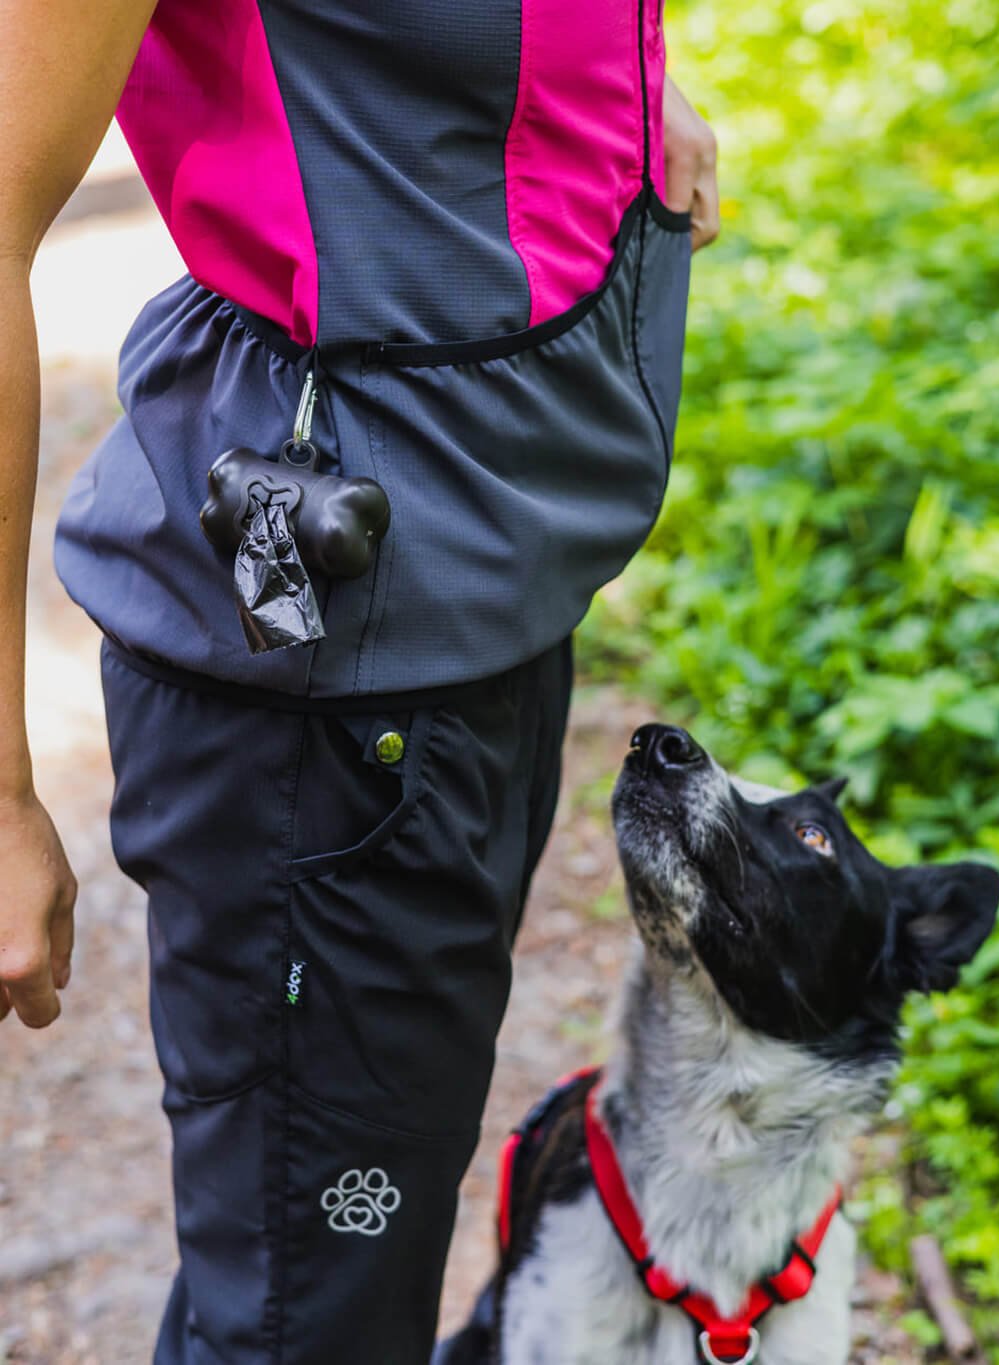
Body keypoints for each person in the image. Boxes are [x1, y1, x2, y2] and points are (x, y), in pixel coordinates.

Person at [0, 2, 719, 1361]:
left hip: (496, 598)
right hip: (321, 717)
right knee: (311, 1311)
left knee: (314, 1264)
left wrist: (634, 99)